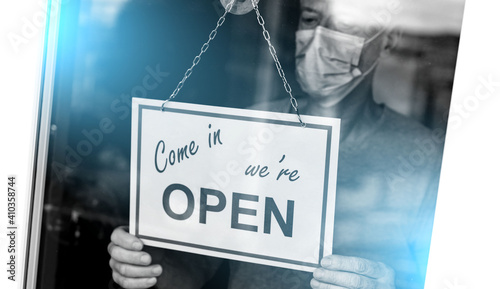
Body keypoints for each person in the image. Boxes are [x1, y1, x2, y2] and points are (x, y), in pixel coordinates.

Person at [108, 0, 443, 288]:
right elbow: (192, 268)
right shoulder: (247, 130)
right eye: (311, 19)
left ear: (389, 39)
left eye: (347, 23)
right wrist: (144, 263)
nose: (320, 36)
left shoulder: (425, 157)